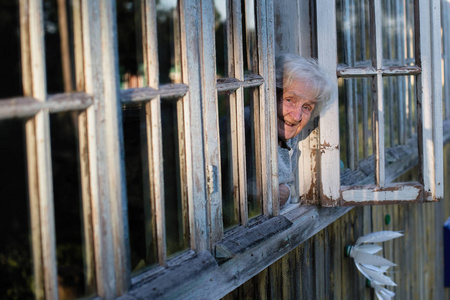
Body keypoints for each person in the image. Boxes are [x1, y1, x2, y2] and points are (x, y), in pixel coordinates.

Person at [275, 54, 332, 207]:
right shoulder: (247, 129)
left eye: (306, 107)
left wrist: (285, 193)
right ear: (270, 94)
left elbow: (285, 187)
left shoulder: (290, 139)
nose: (297, 116)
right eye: (289, 100)